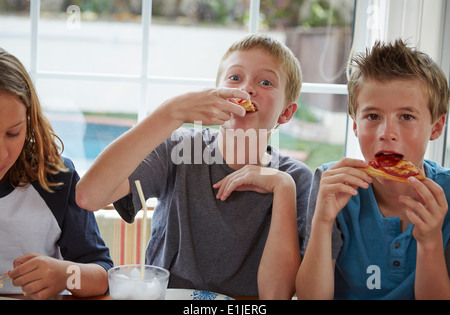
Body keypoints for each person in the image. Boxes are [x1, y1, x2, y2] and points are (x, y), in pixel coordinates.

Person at [76, 33, 312, 299]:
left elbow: (277, 295)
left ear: (286, 113)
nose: (246, 88)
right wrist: (170, 113)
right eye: (235, 78)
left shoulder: (294, 179)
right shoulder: (179, 149)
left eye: (265, 82)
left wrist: (282, 188)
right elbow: (88, 196)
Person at [296, 39, 450, 299]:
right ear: (355, 125)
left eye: (407, 117)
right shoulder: (331, 183)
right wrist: (322, 222)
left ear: (436, 127)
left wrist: (430, 242)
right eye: (373, 116)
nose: (387, 133)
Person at [0, 48, 113, 300]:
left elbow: (103, 276)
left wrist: (65, 275)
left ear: (29, 122)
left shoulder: (55, 179)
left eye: (13, 133)